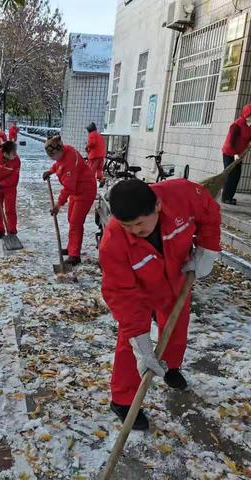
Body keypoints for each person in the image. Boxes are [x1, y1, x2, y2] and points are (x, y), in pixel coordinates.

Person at [99, 179, 221, 430]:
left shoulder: (183, 195)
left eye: (139, 224)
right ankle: (122, 400)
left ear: (157, 206)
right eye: (126, 225)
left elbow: (209, 212)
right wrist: (142, 346)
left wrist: (207, 249)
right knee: (130, 342)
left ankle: (171, 367)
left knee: (176, 326)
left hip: (177, 275)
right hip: (140, 290)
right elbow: (121, 295)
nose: (133, 231)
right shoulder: (113, 242)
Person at [42, 136, 97, 266]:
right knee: (71, 219)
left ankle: (74, 255)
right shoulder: (64, 152)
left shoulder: (70, 160)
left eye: (53, 156)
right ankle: (72, 247)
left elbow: (68, 187)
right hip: (76, 191)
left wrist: (58, 204)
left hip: (85, 191)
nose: (52, 159)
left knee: (75, 222)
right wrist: (51, 171)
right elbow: (58, 164)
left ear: (59, 150)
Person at [221, 104, 251, 205]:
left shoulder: (249, 125)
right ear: (246, 114)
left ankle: (230, 196)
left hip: (239, 154)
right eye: (250, 115)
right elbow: (230, 141)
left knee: (237, 175)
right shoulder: (236, 125)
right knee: (231, 175)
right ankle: (225, 198)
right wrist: (234, 154)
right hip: (229, 153)